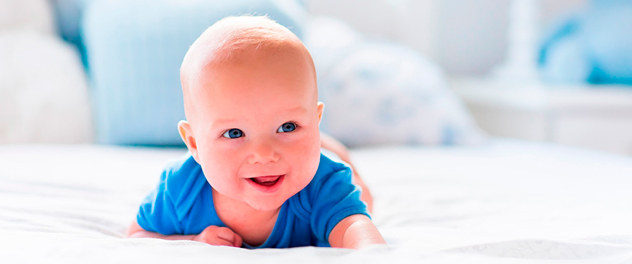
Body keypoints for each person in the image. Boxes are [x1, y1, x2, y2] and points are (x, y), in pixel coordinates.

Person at [127, 15, 385, 249]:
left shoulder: (324, 183)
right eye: (234, 133)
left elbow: (353, 226)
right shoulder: (180, 189)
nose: (263, 154)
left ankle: (332, 150)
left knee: (361, 196)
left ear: (315, 122)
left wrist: (370, 250)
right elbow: (139, 234)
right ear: (194, 144)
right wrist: (192, 240)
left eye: (288, 126)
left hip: (332, 170)